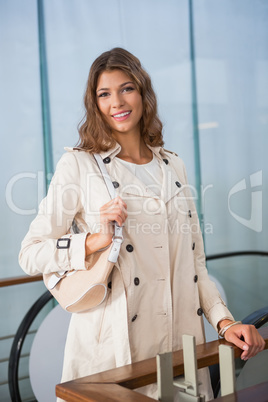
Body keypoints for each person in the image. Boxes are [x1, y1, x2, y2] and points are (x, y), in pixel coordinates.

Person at [19, 47, 265, 401]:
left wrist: (225, 323)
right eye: (104, 93)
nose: (117, 101)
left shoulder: (172, 165)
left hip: (180, 343)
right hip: (117, 350)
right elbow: (31, 253)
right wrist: (93, 240)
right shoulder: (80, 165)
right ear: (94, 103)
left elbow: (194, 266)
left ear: (143, 93)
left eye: (126, 88)